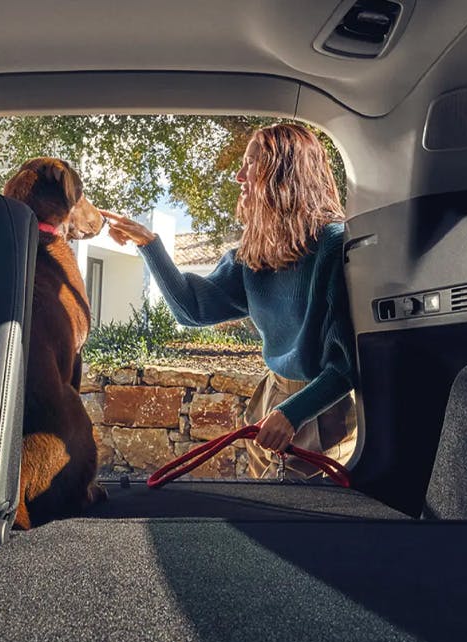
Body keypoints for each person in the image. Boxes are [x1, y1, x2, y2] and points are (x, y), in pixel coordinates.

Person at [100, 122, 357, 479]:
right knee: (261, 502)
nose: (239, 176)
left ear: (284, 172)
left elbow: (348, 364)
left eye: (251, 163)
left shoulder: (332, 245)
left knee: (291, 510)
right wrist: (149, 243)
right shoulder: (255, 253)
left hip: (319, 410)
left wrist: (294, 412)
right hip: (271, 398)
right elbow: (191, 309)